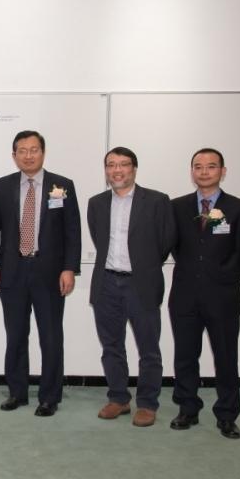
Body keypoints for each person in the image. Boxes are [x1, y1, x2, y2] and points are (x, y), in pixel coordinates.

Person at [0, 130, 81, 416]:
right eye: (22, 150)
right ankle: (17, 392)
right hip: (12, 272)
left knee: (50, 336)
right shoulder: (2, 186)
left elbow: (72, 232)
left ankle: (49, 396)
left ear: (43, 152)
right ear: (14, 155)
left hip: (50, 273)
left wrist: (69, 268)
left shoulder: (62, 185)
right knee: (16, 335)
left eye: (34, 149)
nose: (28, 155)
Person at [169, 148, 240, 439]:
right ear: (191, 171)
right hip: (184, 294)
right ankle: (187, 409)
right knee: (185, 355)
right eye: (198, 166)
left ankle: (227, 415)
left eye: (211, 166)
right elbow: (174, 244)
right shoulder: (177, 207)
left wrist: (226, 274)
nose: (204, 172)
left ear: (223, 171)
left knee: (225, 356)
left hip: (222, 296)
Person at [87, 147, 175, 427]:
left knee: (148, 347)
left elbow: (165, 242)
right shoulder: (97, 203)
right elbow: (98, 238)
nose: (117, 170)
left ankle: (148, 404)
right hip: (107, 283)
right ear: (106, 170)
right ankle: (119, 399)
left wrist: (143, 265)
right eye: (111, 165)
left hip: (142, 283)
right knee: (111, 346)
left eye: (123, 164)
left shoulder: (157, 201)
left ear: (134, 169)